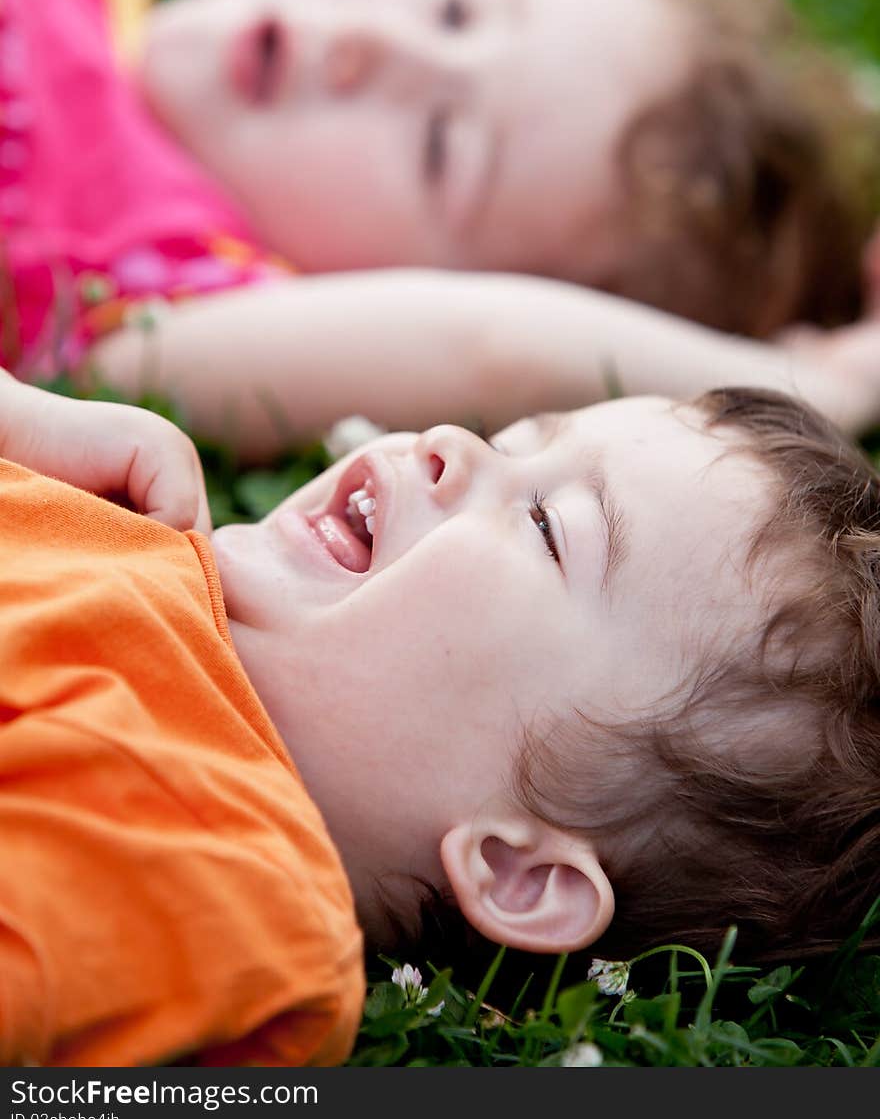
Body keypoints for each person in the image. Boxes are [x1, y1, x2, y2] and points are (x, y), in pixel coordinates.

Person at [2, 363, 879, 1066]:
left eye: (545, 525)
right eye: (511, 440)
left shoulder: (218, 892)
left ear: (517, 873)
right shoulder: (101, 493)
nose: (450, 442)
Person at [2, 0, 878, 459]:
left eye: (438, 149)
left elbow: (491, 348)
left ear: (390, 291)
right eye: (455, 4)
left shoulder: (161, 305)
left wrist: (816, 384)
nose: (372, 42)